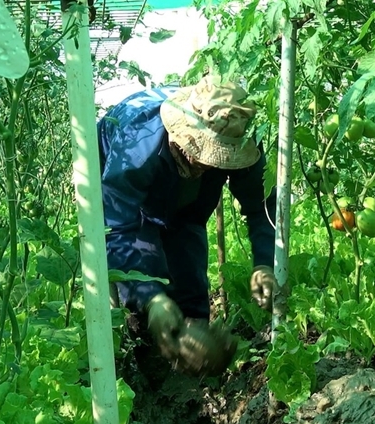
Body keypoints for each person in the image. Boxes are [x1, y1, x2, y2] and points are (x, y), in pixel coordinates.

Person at [97, 75, 278, 375]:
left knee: (190, 290)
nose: (203, 163)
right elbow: (117, 226)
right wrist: (150, 297)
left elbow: (263, 208)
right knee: (146, 283)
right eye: (199, 152)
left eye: (215, 159)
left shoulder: (240, 139)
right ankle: (146, 368)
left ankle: (189, 382)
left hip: (188, 209)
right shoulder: (136, 143)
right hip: (132, 200)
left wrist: (265, 263)